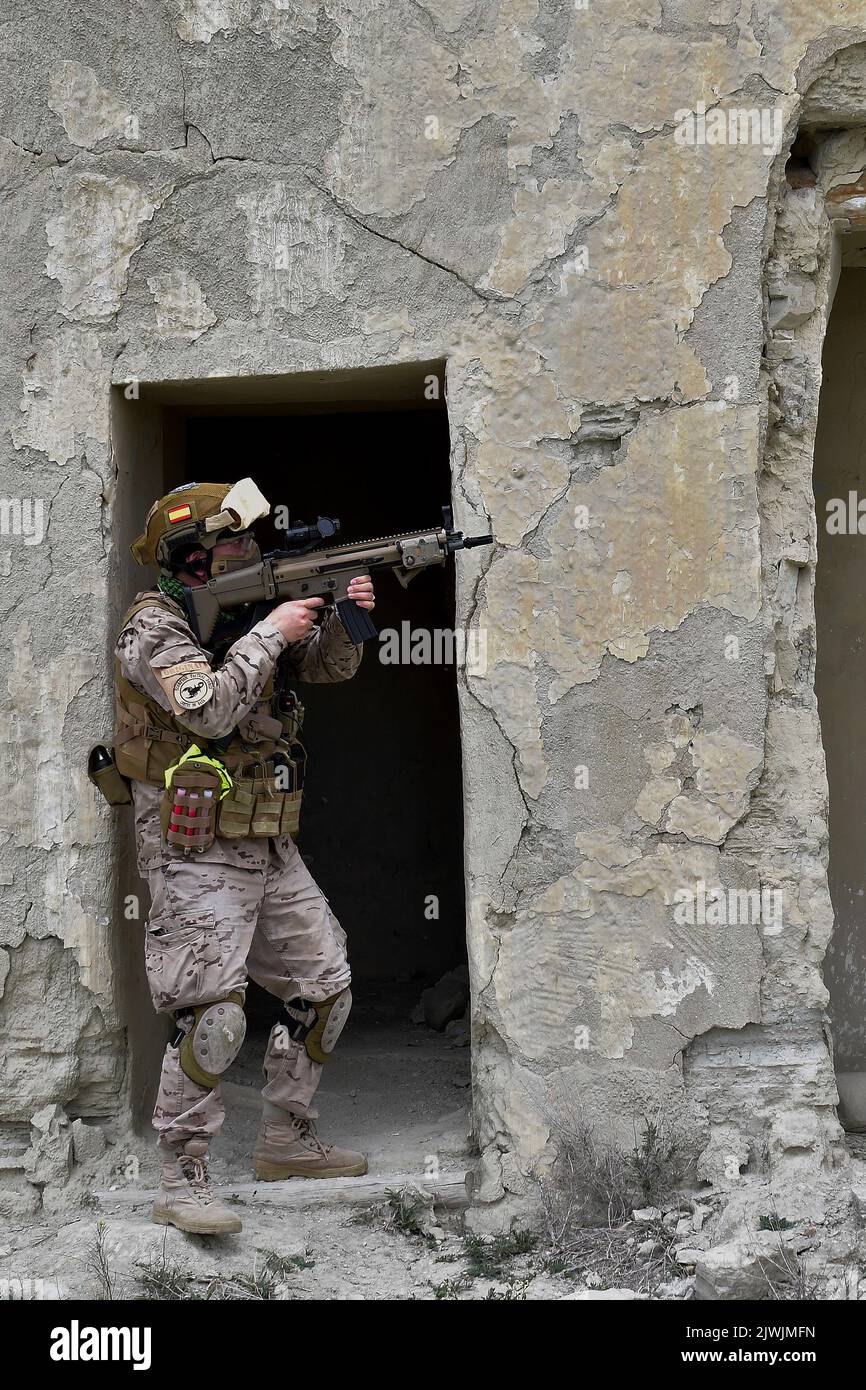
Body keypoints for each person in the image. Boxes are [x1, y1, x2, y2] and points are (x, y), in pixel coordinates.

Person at [113, 479, 374, 1234]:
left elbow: (324, 671)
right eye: (234, 542)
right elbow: (206, 707)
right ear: (190, 556)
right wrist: (275, 630)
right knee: (213, 1015)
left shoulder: (244, 612)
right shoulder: (154, 628)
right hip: (194, 844)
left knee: (326, 989)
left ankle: (285, 1137)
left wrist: (343, 621)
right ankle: (183, 1172)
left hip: (265, 830)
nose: (250, 550)